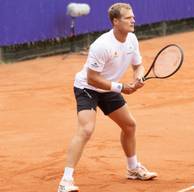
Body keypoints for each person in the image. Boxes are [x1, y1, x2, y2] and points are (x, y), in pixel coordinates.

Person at [58, 3, 157, 192]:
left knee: (129, 125)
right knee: (86, 129)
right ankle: (66, 181)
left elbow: (138, 66)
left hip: (109, 87)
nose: (133, 20)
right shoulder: (102, 45)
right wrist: (121, 87)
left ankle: (133, 168)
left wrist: (138, 77)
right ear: (115, 21)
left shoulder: (132, 39)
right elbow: (92, 78)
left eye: (133, 17)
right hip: (87, 88)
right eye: (128, 18)